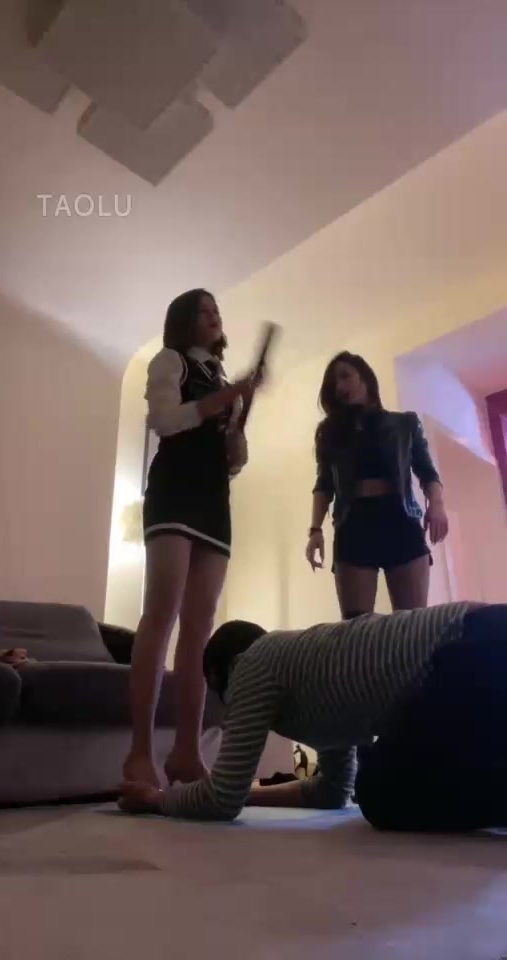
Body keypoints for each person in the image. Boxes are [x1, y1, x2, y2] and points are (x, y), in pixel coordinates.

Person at [120, 604, 507, 833]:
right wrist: (250, 791)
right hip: (484, 638)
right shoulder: (313, 678)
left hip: (472, 650)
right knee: (379, 780)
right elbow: (333, 791)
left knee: (382, 792)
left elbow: (221, 800)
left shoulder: (251, 664)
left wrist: (158, 800)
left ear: (222, 676)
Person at [121, 289, 261, 796]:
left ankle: (186, 753)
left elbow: (234, 461)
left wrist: (237, 435)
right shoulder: (169, 361)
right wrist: (224, 399)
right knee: (160, 617)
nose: (214, 315)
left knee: (199, 630)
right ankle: (140, 753)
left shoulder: (223, 381)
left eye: (216, 310)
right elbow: (165, 421)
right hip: (173, 492)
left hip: (214, 501)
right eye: (204, 310)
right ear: (184, 319)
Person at [306, 352, 448, 617]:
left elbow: (427, 472)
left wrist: (436, 505)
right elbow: (324, 484)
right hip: (353, 525)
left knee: (411, 623)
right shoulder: (331, 433)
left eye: (345, 376)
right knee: (356, 627)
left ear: (365, 378)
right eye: (334, 383)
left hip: (401, 521)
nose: (340, 387)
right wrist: (315, 530)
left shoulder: (405, 423)